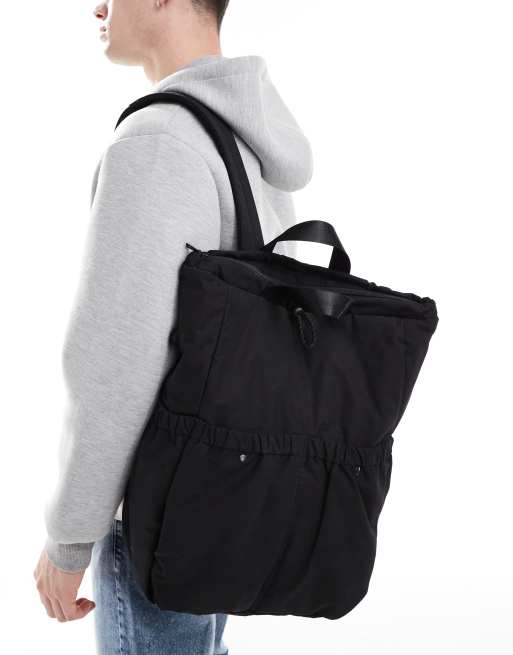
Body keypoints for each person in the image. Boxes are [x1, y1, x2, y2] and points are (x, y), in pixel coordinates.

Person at [33, 0, 313, 652]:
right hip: (230, 500)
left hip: (158, 516)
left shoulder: (158, 141)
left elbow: (116, 360)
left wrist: (70, 538)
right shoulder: (248, 140)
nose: (97, 7)